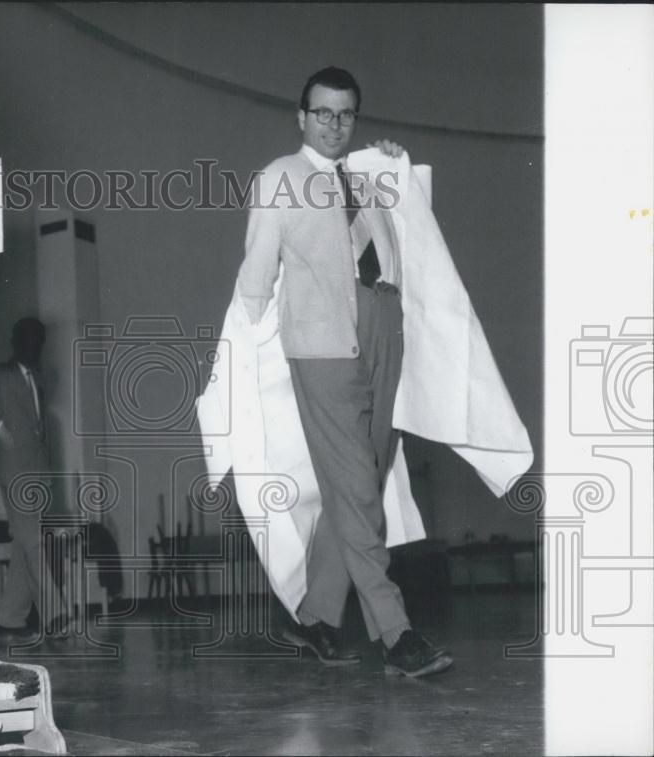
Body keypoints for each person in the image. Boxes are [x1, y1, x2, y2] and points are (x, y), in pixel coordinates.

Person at [236, 67, 453, 677]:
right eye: (323, 113)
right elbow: (255, 274)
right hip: (322, 345)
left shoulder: (364, 175)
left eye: (346, 114)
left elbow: (412, 232)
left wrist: (393, 167)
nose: (334, 124)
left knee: (361, 484)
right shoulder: (279, 177)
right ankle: (397, 634)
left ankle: (319, 618)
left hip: (385, 326)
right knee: (358, 489)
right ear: (301, 116)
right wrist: (245, 359)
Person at [0, 317, 68, 641]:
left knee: (24, 544)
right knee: (33, 542)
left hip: (37, 475)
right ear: (16, 343)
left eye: (40, 342)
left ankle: (10, 619)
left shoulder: (39, 380)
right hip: (14, 472)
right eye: (30, 341)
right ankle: (56, 614)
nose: (35, 347)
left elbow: (39, 432)